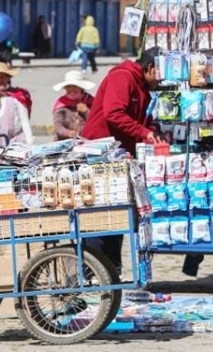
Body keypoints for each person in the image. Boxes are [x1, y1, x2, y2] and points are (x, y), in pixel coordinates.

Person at [80, 47, 164, 274]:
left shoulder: (144, 88)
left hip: (118, 158)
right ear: (149, 68)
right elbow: (114, 113)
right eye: (160, 73)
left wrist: (151, 130)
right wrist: (143, 132)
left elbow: (139, 119)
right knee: (98, 218)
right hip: (98, 154)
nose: (161, 80)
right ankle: (93, 271)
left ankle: (111, 269)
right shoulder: (123, 76)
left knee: (117, 216)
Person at [51, 70, 95, 141]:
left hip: (87, 141)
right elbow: (58, 125)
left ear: (81, 87)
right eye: (68, 87)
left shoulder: (90, 101)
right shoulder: (61, 104)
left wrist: (86, 111)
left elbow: (96, 122)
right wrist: (67, 133)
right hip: (63, 143)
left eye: (75, 86)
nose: (71, 89)